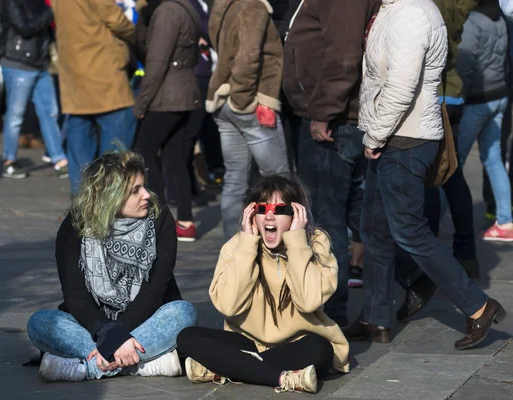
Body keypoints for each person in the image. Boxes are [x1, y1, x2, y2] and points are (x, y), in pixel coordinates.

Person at [345, 0, 507, 350]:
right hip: (392, 135)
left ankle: (478, 306)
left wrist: (374, 136)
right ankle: (375, 316)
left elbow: (401, 87)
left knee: (410, 232)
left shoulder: (412, 13)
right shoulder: (394, 9)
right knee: (374, 228)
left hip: (405, 138)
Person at [27, 149, 198, 382]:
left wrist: (116, 335)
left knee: (183, 312)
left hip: (147, 317)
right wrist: (110, 334)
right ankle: (144, 363)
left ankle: (86, 368)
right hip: (92, 324)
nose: (146, 195)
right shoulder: (75, 225)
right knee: (40, 323)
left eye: (144, 186)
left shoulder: (159, 218)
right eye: (135, 191)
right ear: (111, 196)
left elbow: (155, 290)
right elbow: (76, 295)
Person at [177, 175, 349, 394]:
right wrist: (247, 245)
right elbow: (228, 306)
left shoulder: (316, 244)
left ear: (296, 214)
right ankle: (281, 377)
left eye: (279, 210)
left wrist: (296, 241)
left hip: (299, 345)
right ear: (252, 214)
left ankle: (229, 366)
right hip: (248, 342)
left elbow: (308, 302)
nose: (269, 215)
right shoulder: (237, 246)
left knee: (321, 350)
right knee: (187, 337)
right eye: (261, 208)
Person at [282, 0, 381, 327]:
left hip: (334, 120)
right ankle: (410, 277)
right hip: (334, 116)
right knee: (352, 210)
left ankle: (333, 311)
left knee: (327, 218)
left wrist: (323, 112)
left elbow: (343, 56)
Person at [207, 0, 290, 241]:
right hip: (250, 102)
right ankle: (282, 246)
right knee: (278, 179)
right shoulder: (253, 5)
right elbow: (248, 55)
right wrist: (244, 99)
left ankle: (235, 248)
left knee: (235, 178)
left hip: (224, 99)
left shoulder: (224, 5)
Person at [51, 0, 137, 195]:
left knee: (80, 153)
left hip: (74, 79)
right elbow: (117, 20)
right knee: (116, 155)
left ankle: (83, 207)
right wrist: (136, 30)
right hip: (105, 77)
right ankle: (108, 205)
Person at [133, 0, 202, 242]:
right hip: (186, 93)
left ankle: (158, 220)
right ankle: (185, 221)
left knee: (143, 152)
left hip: (167, 96)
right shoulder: (187, 8)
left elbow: (156, 63)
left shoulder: (166, 12)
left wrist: (141, 105)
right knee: (175, 159)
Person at [456, 0, 512, 241]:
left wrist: (461, 92)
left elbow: (465, 63)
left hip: (477, 100)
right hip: (499, 95)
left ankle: (432, 224)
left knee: (452, 165)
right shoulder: (499, 17)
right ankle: (505, 221)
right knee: (493, 158)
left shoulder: (473, 21)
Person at [0, 0, 68, 179]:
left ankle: (59, 159)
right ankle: (9, 161)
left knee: (50, 112)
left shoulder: (42, 3)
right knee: (15, 115)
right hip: (18, 62)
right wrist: (50, 12)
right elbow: (25, 27)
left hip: (40, 63)